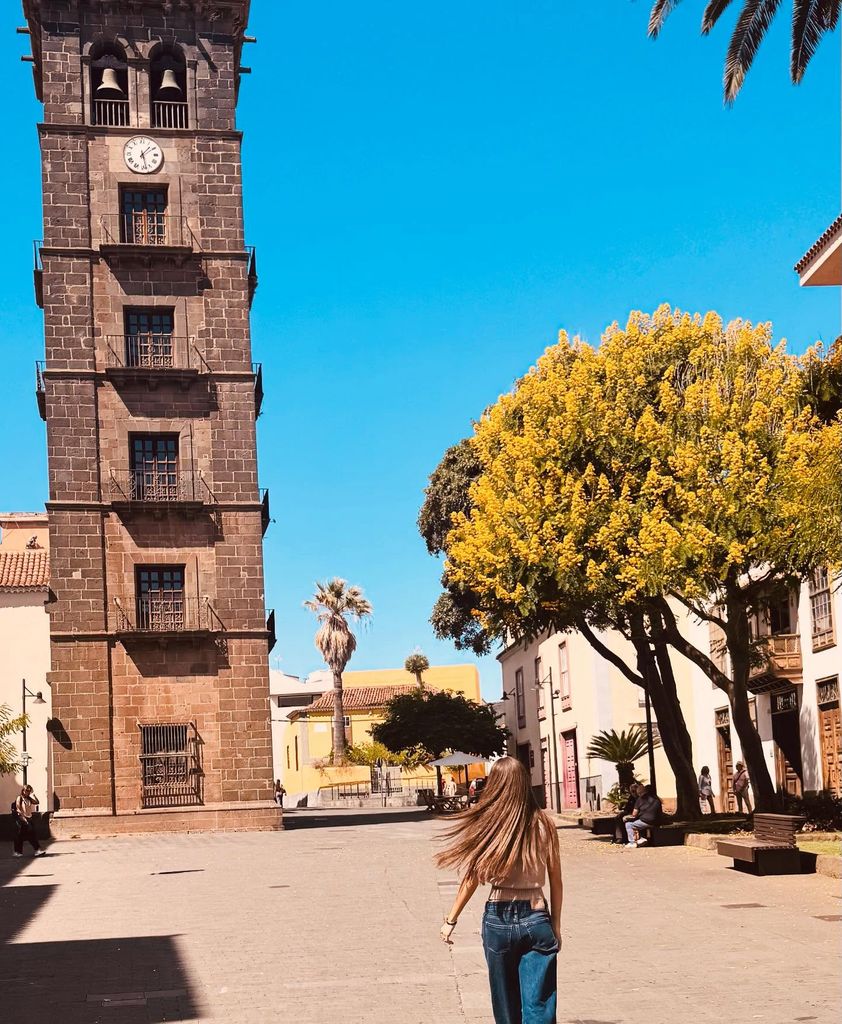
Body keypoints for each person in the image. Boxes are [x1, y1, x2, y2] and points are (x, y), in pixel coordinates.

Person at [436, 757, 562, 1024]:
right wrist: (557, 926)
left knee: (504, 1005)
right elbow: (556, 881)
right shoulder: (544, 824)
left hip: (498, 916)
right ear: (524, 784)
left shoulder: (489, 826)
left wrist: (451, 920)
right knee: (539, 1005)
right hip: (537, 915)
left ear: (496, 785)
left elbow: (471, 878)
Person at [12, 785, 46, 858]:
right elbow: (18, 808)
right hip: (23, 819)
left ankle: (18, 852)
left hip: (29, 819)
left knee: (24, 836)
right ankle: (34, 850)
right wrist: (23, 818)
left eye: (29, 791)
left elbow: (37, 802)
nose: (27, 792)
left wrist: (33, 795)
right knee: (28, 835)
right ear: (23, 790)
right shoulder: (19, 798)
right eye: (26, 790)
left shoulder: (29, 799)